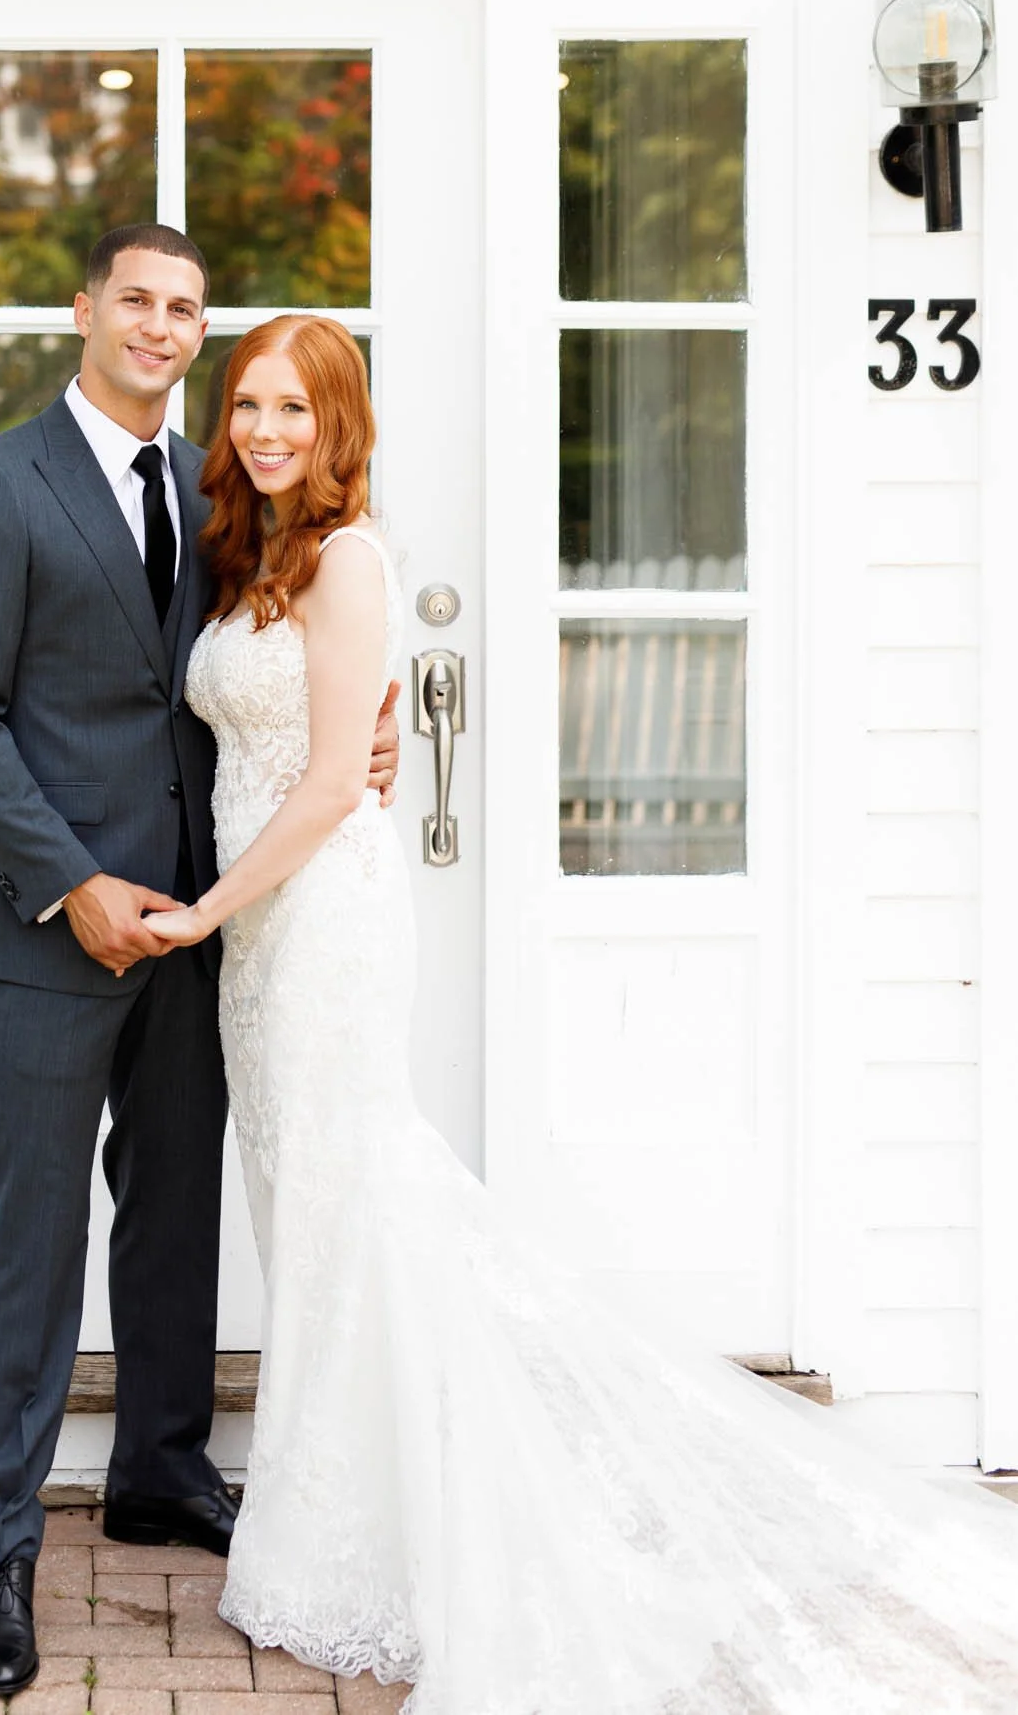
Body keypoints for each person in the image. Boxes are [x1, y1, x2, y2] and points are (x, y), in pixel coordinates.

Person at [144, 311, 1018, 1715]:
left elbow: (320, 789)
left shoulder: (352, 557)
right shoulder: (244, 550)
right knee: (310, 1215)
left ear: (338, 422)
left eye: (293, 411)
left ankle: (381, 1530)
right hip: (265, 935)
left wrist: (200, 907)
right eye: (246, 405)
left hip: (318, 920)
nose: (262, 431)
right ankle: (334, 1514)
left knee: (356, 1201)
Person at [0, 229, 399, 1700]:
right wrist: (69, 887)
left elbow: (296, 642)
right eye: (137, 299)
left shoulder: (220, 486)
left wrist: (370, 731)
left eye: (186, 309)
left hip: (212, 923)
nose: (161, 326)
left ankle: (163, 1473)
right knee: (32, 1229)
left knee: (176, 1208)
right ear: (85, 311)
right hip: (57, 933)